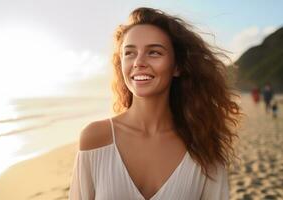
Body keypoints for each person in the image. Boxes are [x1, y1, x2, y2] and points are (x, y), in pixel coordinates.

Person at [69, 7, 240, 200]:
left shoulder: (204, 146)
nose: (138, 62)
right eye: (129, 53)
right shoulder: (96, 139)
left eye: (154, 52)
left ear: (177, 67)